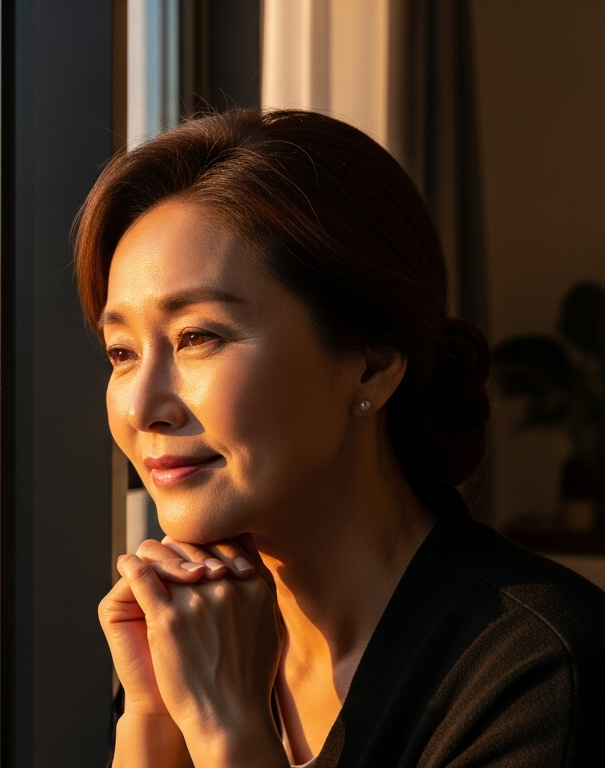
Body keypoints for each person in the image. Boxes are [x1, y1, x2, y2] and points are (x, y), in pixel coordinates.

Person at [78, 109, 605, 767]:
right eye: (121, 351)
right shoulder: (195, 640)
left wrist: (228, 730)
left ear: (372, 365)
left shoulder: (541, 675)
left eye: (198, 337)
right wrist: (151, 719)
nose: (144, 407)